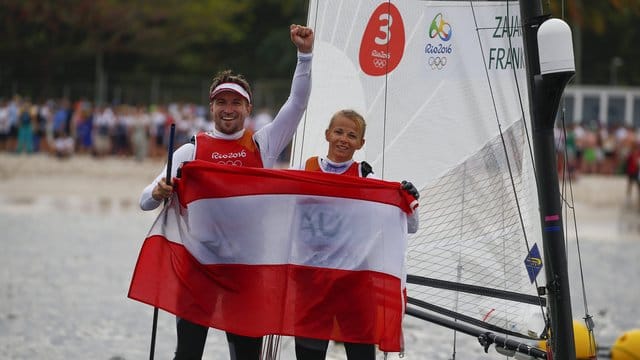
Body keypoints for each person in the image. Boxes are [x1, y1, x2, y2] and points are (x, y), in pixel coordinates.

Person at [139, 24, 314, 360]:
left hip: (246, 272)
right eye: (222, 102)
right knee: (187, 355)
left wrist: (304, 55)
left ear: (248, 109)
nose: (229, 108)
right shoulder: (190, 150)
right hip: (199, 270)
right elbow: (144, 200)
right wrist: (161, 190)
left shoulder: (263, 144)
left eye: (236, 102)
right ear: (212, 107)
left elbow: (297, 103)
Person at [294, 109, 419, 360]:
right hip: (313, 282)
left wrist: (411, 201)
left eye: (352, 135)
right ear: (327, 134)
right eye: (338, 132)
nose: (343, 138)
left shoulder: (366, 175)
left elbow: (409, 226)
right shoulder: (304, 168)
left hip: (353, 283)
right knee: (309, 354)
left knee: (361, 353)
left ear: (361, 144)